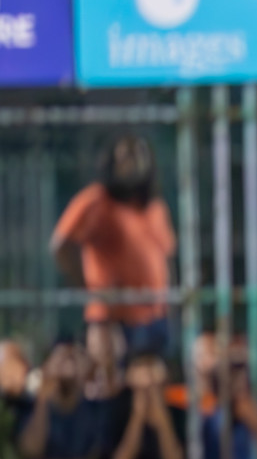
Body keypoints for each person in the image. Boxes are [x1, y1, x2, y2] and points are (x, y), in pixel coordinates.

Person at [50, 136, 176, 360]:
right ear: (112, 164)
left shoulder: (153, 205)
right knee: (110, 386)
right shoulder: (97, 201)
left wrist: (171, 306)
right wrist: (89, 288)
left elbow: (166, 257)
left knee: (152, 385)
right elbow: (61, 245)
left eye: (139, 156)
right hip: (112, 318)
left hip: (155, 315)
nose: (134, 164)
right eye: (126, 157)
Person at [16, 341, 113, 459]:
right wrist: (42, 400)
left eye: (74, 356)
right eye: (59, 357)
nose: (68, 359)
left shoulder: (96, 410)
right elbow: (31, 451)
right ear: (45, 368)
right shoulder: (29, 406)